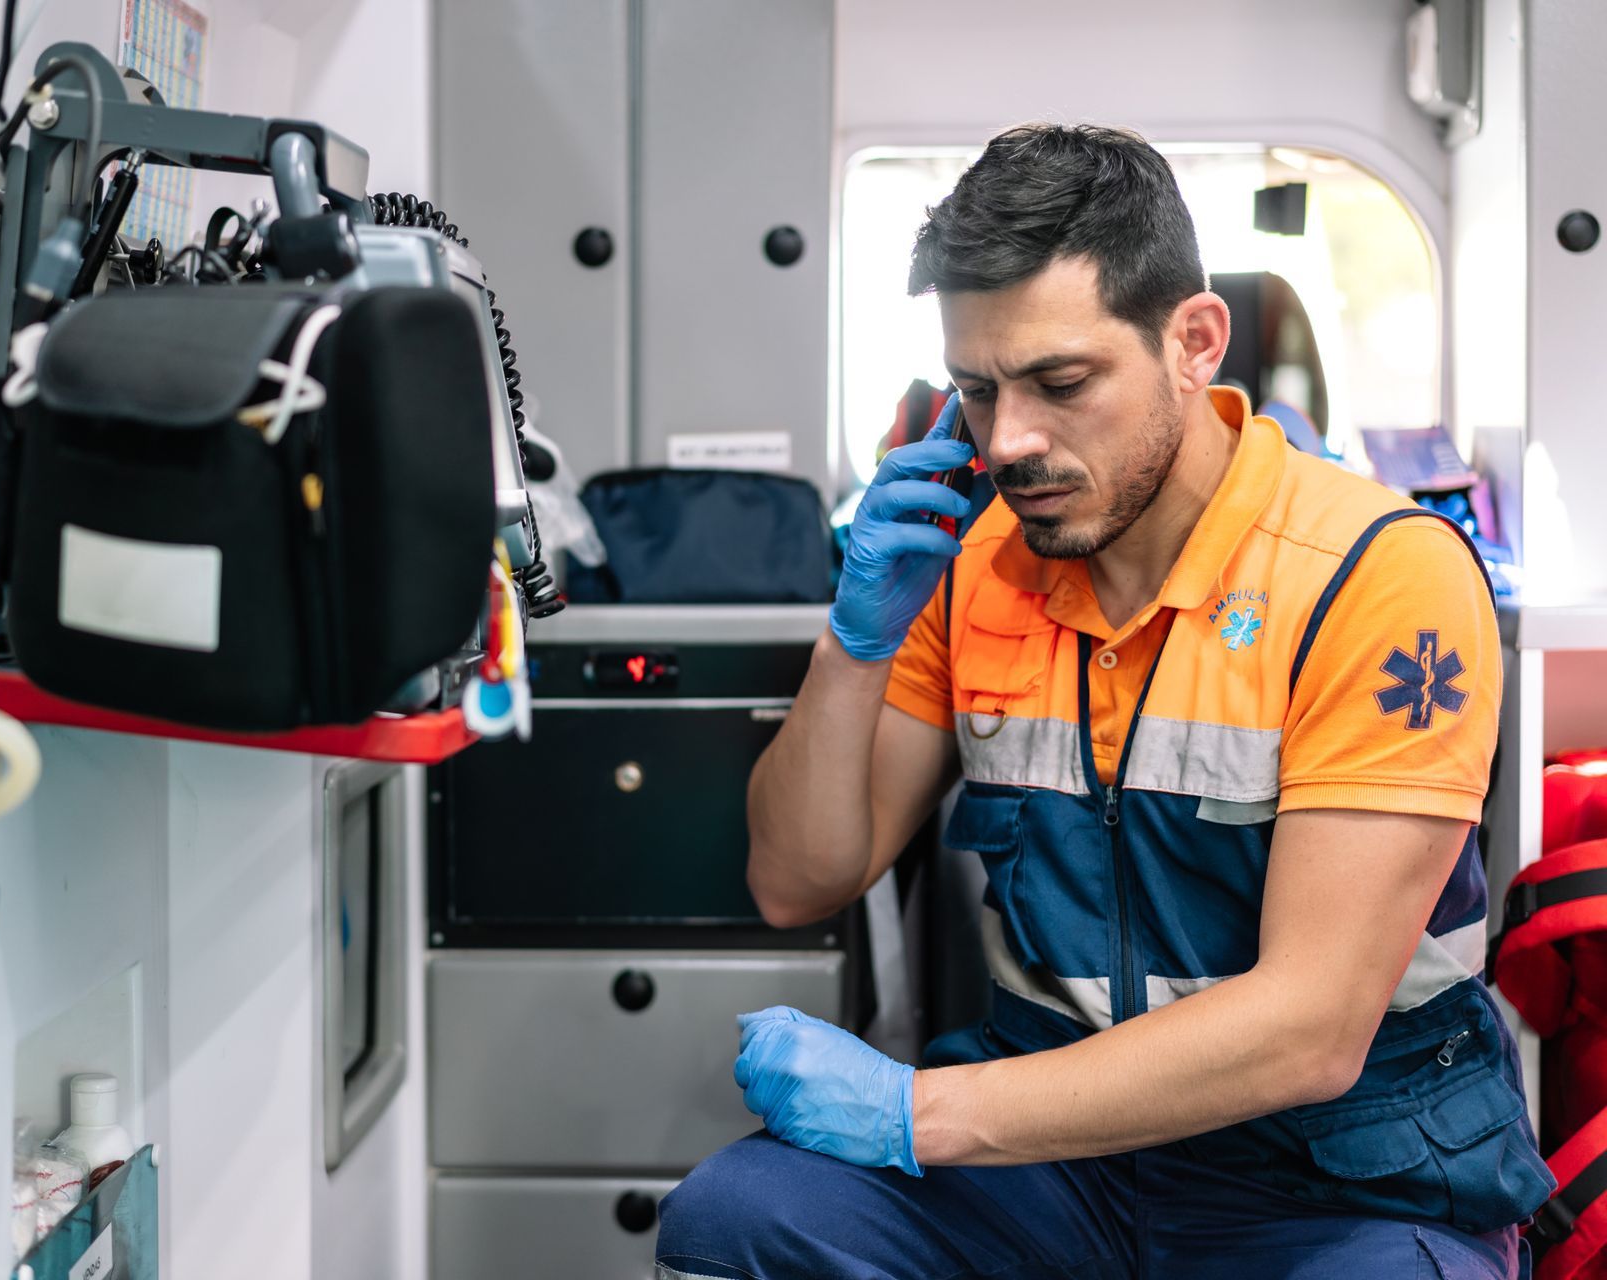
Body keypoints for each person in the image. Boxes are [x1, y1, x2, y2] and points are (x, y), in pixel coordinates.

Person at [654, 124, 1554, 1280]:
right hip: (1054, 1161)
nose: (1011, 439)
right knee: (734, 1221)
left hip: (1335, 1179)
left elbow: (1311, 1029)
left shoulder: (1376, 574)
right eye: (977, 391)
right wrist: (854, 636)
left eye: (1060, 382)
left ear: (1195, 341)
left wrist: (913, 1114)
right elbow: (798, 876)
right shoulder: (974, 562)